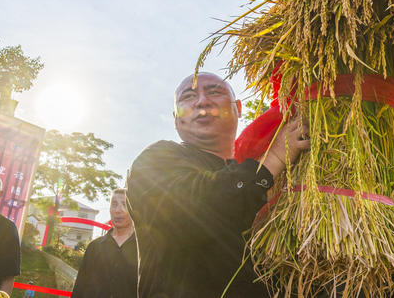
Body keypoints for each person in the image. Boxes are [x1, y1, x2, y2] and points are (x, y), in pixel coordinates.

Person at [127, 72, 309, 298]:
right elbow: (193, 210)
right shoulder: (157, 159)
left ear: (239, 108)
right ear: (176, 118)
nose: (202, 101)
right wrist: (276, 158)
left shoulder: (271, 175)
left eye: (214, 92)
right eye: (188, 96)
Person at [71, 188, 138, 298]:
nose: (118, 210)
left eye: (124, 204)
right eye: (114, 204)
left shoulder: (143, 250)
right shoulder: (94, 247)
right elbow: (79, 288)